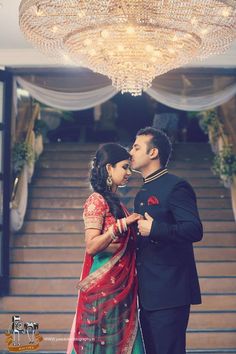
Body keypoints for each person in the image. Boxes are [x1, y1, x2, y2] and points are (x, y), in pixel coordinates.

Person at [130, 127, 203, 354]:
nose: (130, 152)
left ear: (153, 153)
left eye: (136, 147)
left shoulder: (175, 185)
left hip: (170, 291)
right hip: (149, 292)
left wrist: (156, 228)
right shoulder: (143, 191)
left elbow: (194, 229)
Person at [67, 143, 145, 354]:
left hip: (121, 288)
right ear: (109, 168)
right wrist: (120, 227)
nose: (129, 172)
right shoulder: (96, 200)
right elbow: (92, 246)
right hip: (104, 288)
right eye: (124, 167)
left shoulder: (116, 203)